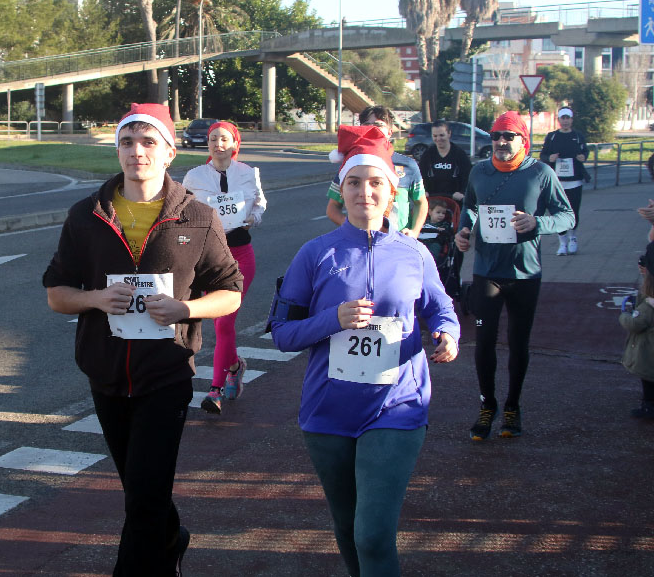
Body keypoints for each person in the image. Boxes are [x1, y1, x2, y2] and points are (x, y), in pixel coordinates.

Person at [43, 103, 243, 576]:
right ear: (117, 150)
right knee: (141, 490)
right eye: (127, 142)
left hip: (165, 373)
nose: (137, 152)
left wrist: (185, 309)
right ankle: (172, 538)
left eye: (149, 142)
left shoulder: (197, 217)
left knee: (145, 497)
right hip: (106, 373)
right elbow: (56, 294)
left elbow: (230, 292)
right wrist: (95, 298)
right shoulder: (86, 215)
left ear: (170, 152)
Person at [269, 123, 459, 577]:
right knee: (348, 527)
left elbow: (441, 306)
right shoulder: (315, 254)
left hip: (397, 405)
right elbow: (282, 333)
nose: (365, 192)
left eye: (376, 182)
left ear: (392, 191)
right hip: (328, 411)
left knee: (373, 534)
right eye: (354, 182)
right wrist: (332, 319)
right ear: (342, 190)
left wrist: (447, 333)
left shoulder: (414, 253)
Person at [455, 111, 575, 441]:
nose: (501, 142)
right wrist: (463, 230)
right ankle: (488, 404)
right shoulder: (479, 171)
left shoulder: (540, 172)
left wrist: (539, 223)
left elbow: (567, 216)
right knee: (483, 342)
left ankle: (512, 406)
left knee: (518, 343)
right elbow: (471, 207)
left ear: (523, 140)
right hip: (486, 272)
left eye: (509, 136)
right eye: (496, 136)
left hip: (525, 273)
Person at [182, 120, 266, 414]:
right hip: (210, 256)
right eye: (213, 139)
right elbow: (182, 208)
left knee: (225, 321)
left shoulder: (249, 173)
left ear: (235, 144)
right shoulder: (194, 176)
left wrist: (254, 217)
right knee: (219, 321)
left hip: (241, 253)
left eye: (224, 139)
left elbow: (260, 203)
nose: (218, 144)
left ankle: (215, 390)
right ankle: (234, 366)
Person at [326, 105, 428, 237]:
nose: (372, 129)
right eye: (366, 125)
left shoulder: (408, 164)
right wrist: (353, 229)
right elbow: (333, 208)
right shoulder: (353, 163)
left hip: (398, 240)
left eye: (378, 125)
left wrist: (414, 231)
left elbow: (421, 202)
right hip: (361, 240)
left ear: (389, 132)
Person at [539, 107, 589, 255]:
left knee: (573, 211)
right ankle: (562, 242)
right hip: (556, 182)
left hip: (575, 181)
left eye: (568, 118)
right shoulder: (552, 137)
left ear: (572, 120)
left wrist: (583, 157)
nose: (565, 121)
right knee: (557, 212)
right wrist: (549, 158)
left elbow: (585, 151)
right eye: (563, 118)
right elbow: (543, 155)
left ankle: (572, 238)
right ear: (559, 120)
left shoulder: (578, 136)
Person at [619, 241, 654, 420]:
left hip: (648, 353)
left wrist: (624, 315)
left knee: (649, 380)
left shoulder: (649, 303)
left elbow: (636, 323)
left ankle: (649, 407)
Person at [417, 119, 471, 203]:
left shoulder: (459, 154)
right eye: (435, 136)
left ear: (449, 134)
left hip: (455, 201)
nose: (438, 139)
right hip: (432, 201)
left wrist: (462, 192)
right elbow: (419, 175)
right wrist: (424, 191)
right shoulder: (428, 154)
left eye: (442, 135)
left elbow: (467, 176)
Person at [418, 198, 454, 268]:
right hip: (422, 241)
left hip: (435, 242)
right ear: (430, 212)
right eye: (438, 212)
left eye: (443, 213)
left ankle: (430, 264)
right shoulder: (424, 222)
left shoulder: (444, 224)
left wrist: (442, 230)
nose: (441, 215)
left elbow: (447, 231)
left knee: (434, 248)